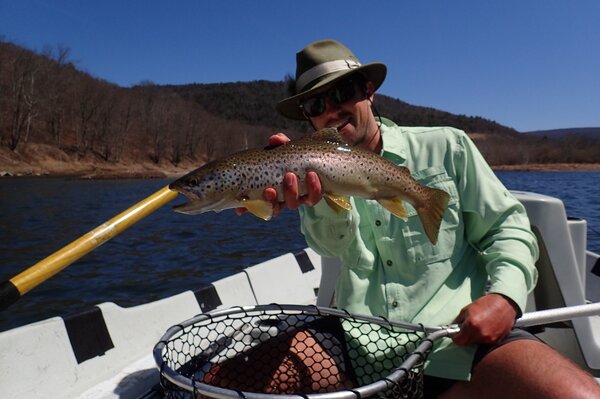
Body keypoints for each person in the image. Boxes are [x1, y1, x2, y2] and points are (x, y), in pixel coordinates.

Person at [235, 39, 600, 398]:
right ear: (309, 116)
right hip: (357, 342)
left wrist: (505, 297)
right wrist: (320, 200)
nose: (331, 110)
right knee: (226, 382)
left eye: (343, 91)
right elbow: (330, 246)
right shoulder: (304, 172)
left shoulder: (447, 146)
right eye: (316, 103)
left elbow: (507, 228)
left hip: (456, 340)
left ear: (368, 90)